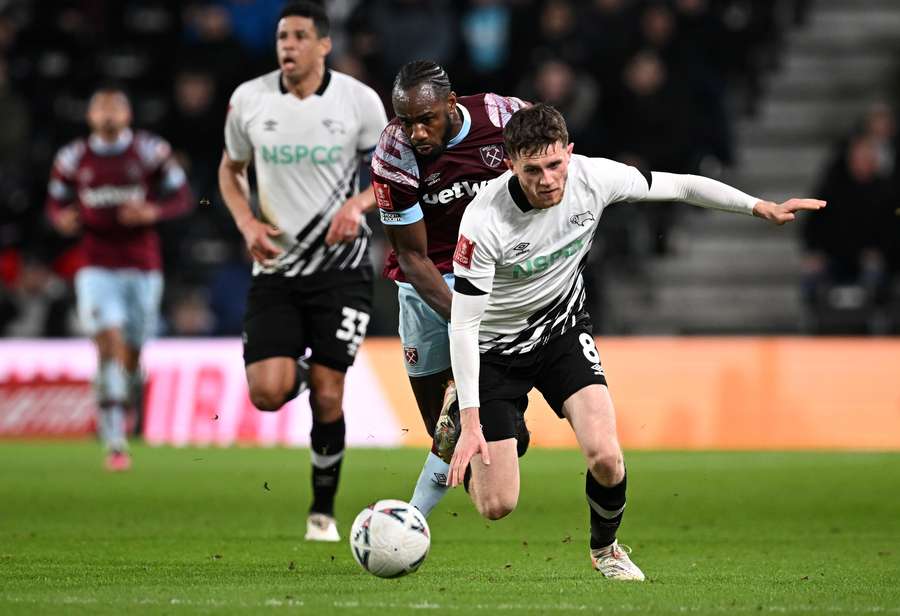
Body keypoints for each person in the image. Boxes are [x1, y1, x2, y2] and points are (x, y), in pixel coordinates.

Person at [446, 104, 824, 579]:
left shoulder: (595, 178)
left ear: (570, 153)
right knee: (497, 504)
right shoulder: (483, 223)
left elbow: (683, 184)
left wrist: (757, 206)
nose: (547, 179)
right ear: (509, 165)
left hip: (560, 331)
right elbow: (462, 326)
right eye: (532, 170)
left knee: (606, 455)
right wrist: (472, 418)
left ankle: (606, 549)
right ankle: (465, 410)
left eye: (554, 164)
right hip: (494, 352)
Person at [218, 1, 388, 542]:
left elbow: (394, 174)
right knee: (267, 394)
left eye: (297, 36)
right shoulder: (250, 99)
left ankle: (322, 512)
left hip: (341, 270)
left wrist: (356, 206)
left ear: (323, 44)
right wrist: (245, 220)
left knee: (329, 391)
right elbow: (230, 169)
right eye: (280, 37)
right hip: (276, 270)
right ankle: (301, 367)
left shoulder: (358, 102)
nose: (286, 46)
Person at [370, 60, 528, 517]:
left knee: (455, 422)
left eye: (427, 119)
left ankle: (410, 519)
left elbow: (551, 165)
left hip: (492, 279)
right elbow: (414, 259)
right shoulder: (393, 155)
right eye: (406, 120)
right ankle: (505, 428)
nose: (416, 132)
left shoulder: (505, 119)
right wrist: (466, 323)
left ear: (451, 104)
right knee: (438, 428)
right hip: (428, 287)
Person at [45, 86, 193, 470]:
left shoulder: (149, 151)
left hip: (143, 265)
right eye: (100, 109)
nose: (107, 115)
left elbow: (181, 196)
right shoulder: (73, 157)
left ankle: (123, 407)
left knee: (131, 351)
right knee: (107, 341)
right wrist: (61, 218)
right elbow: (54, 201)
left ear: (127, 115)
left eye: (114, 109)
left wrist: (151, 212)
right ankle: (114, 440)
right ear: (90, 116)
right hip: (96, 264)